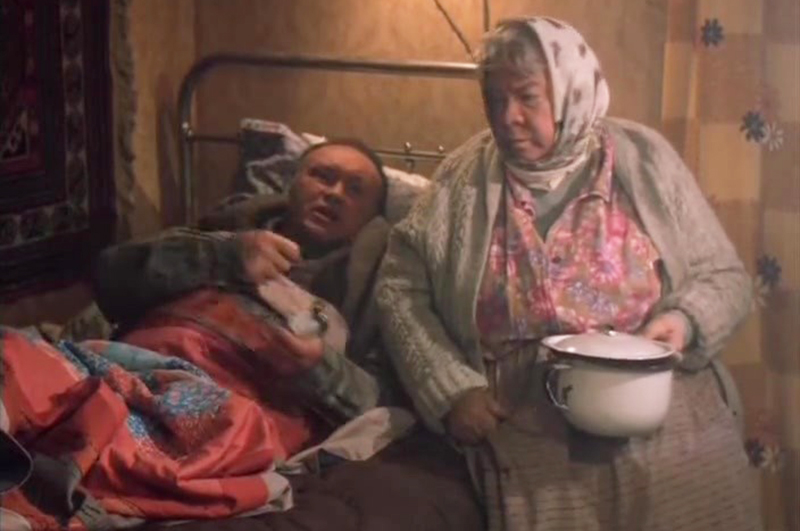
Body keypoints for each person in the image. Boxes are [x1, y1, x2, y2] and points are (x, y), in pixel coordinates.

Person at [377, 17, 761, 531]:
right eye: (494, 99)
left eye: (527, 97)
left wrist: (684, 322)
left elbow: (725, 276)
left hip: (658, 405)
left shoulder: (645, 158)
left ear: (572, 93)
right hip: (527, 417)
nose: (508, 117)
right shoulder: (462, 178)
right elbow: (399, 289)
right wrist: (449, 390)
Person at [92, 138, 401, 452]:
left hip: (238, 415)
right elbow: (109, 277)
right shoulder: (221, 230)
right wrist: (224, 256)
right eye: (323, 176)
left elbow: (386, 408)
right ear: (292, 183)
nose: (335, 193)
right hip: (128, 369)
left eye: (355, 189)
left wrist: (319, 367)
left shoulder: (377, 291)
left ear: (372, 217)